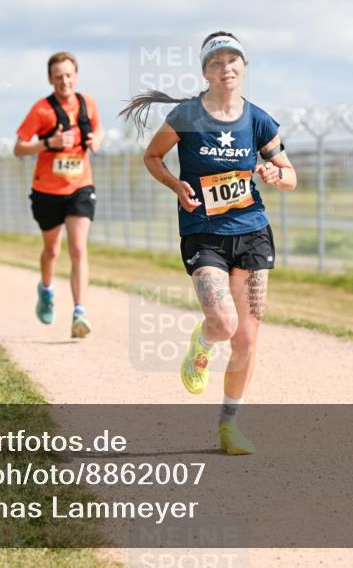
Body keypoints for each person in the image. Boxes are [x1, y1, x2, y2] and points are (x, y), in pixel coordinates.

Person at [121, 32, 297, 455]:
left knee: (247, 338)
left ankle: (229, 426)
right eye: (217, 62)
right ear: (205, 72)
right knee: (223, 322)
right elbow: (152, 157)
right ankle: (201, 344)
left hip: (252, 232)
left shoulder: (258, 120)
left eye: (233, 60)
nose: (226, 68)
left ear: (244, 67)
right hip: (203, 231)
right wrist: (175, 185)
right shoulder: (186, 116)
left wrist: (275, 174)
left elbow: (290, 175)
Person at [14, 52, 104, 338]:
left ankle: (80, 312)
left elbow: (99, 129)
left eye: (68, 75)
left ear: (76, 76)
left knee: (78, 249)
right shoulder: (41, 110)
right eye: (58, 77)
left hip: (80, 186)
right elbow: (19, 148)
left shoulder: (87, 103)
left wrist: (96, 140)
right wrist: (48, 143)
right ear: (50, 79)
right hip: (47, 191)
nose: (64, 81)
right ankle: (46, 290)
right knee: (52, 250)